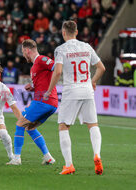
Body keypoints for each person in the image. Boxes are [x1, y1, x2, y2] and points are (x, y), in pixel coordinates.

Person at [44, 20, 106, 175]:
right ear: (77, 32)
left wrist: (48, 90)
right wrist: (93, 81)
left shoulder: (61, 49)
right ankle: (97, 155)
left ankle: (69, 164)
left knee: (64, 126)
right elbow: (101, 68)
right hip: (87, 90)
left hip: (71, 91)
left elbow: (57, 72)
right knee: (93, 124)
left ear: (64, 33)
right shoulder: (87, 47)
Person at [7, 39, 58, 165]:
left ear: (27, 50)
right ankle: (48, 157)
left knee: (20, 124)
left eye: (23, 52)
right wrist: (33, 87)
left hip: (43, 101)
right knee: (29, 127)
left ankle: (17, 158)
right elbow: (45, 79)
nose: (23, 55)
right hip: (51, 103)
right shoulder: (35, 65)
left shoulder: (41, 60)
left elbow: (57, 68)